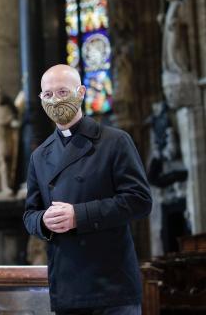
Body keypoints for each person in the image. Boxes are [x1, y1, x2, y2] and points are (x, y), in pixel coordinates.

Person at [23, 64, 152, 315]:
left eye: (62, 92)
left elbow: (139, 201)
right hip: (69, 285)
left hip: (112, 285)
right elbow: (29, 214)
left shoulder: (115, 141)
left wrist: (78, 216)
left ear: (81, 92)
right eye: (47, 94)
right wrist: (43, 220)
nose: (55, 100)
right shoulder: (39, 156)